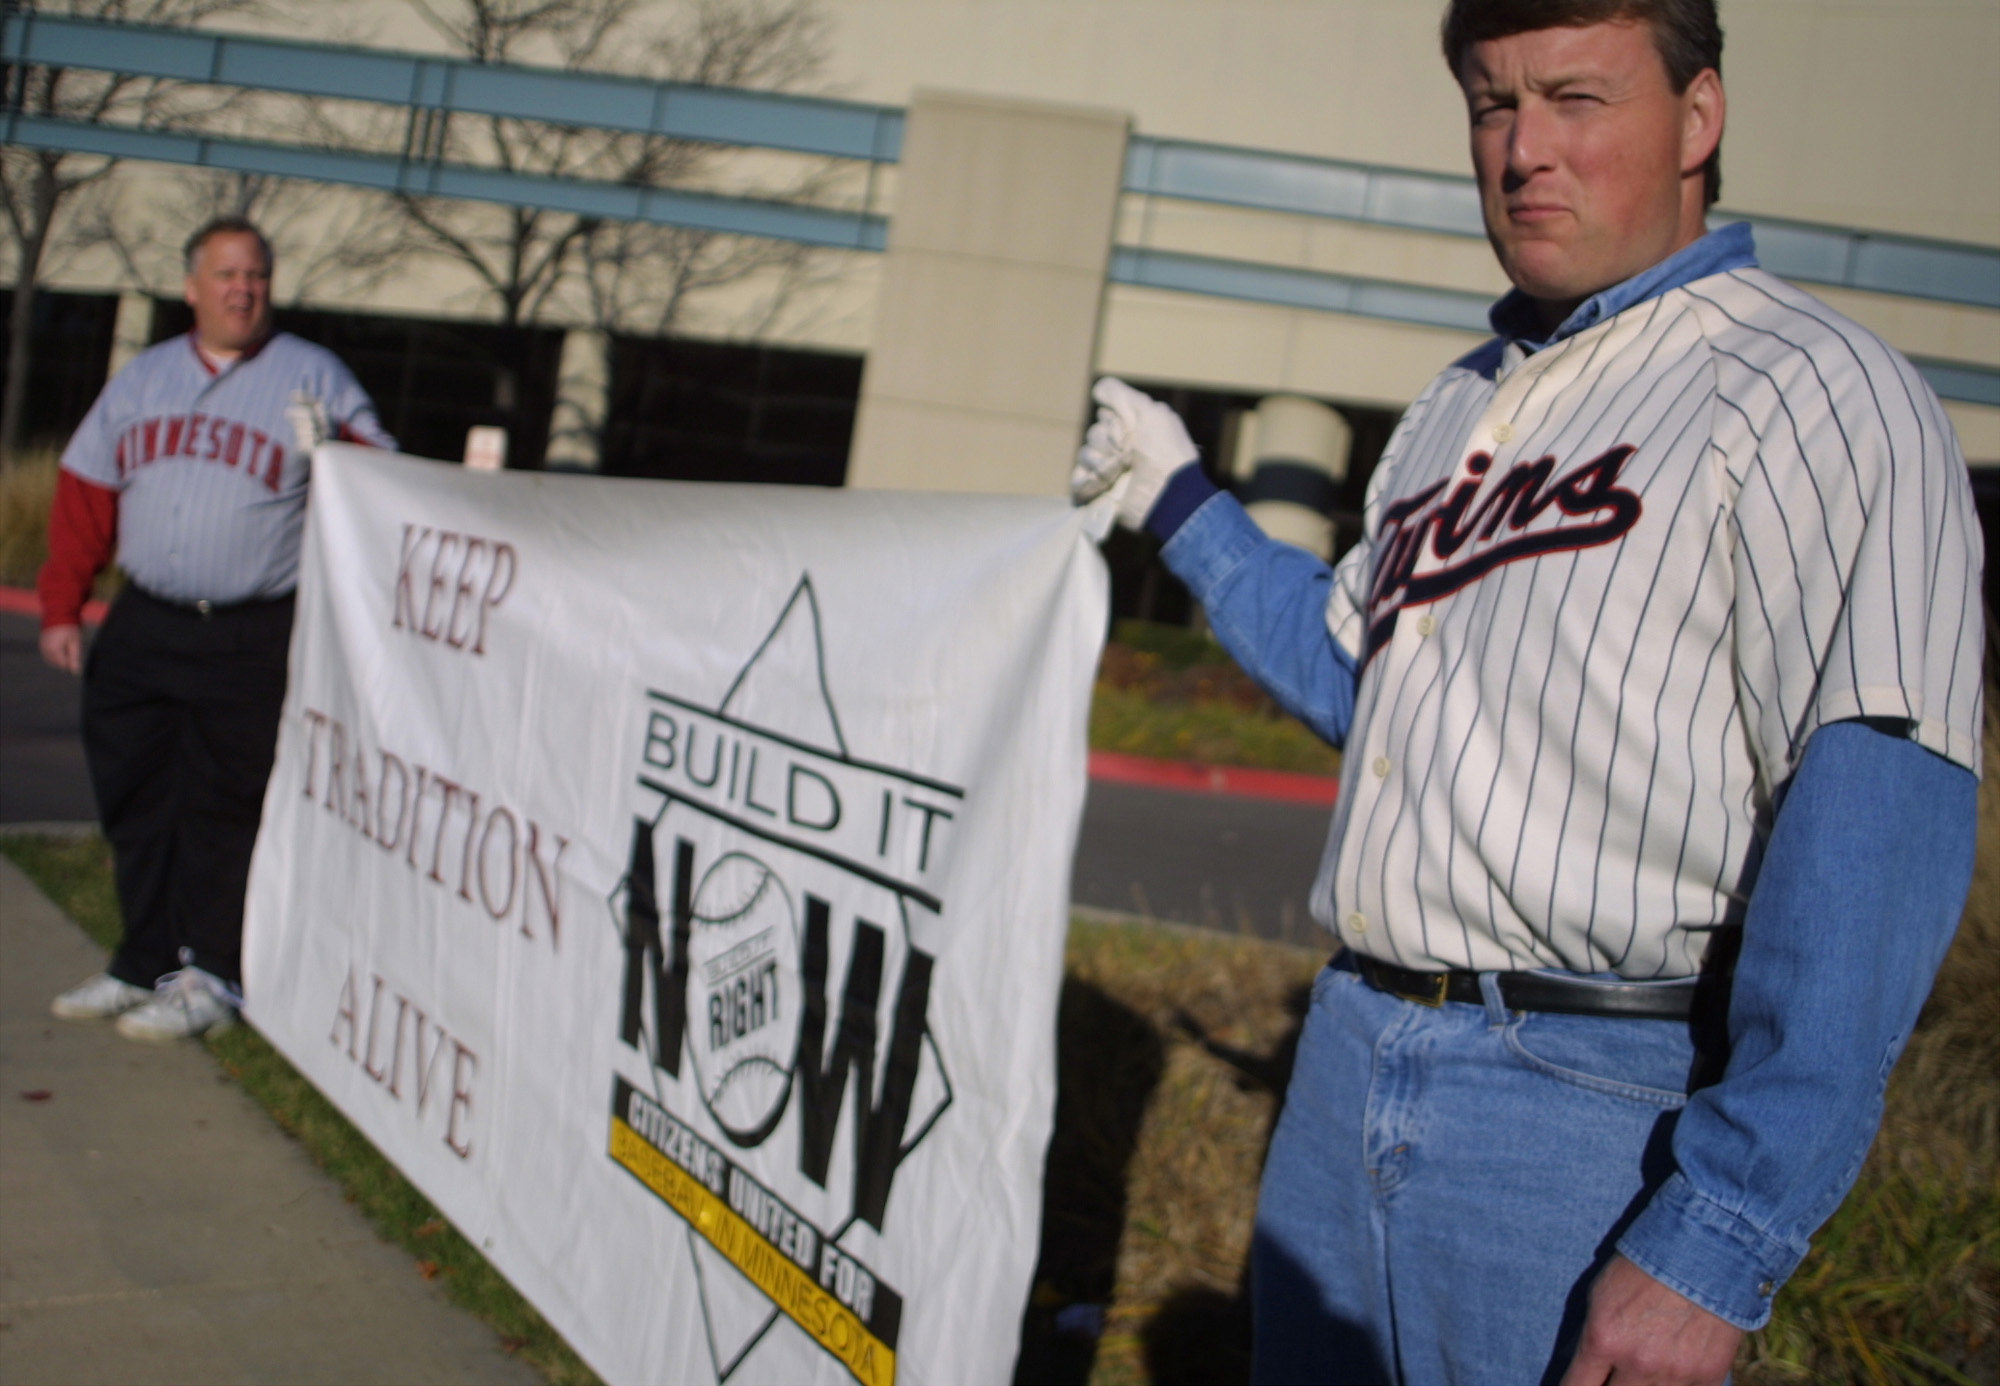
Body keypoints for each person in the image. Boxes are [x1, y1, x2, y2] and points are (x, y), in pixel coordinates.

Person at [1072, 2, 1984, 1381]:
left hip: (1587, 1103)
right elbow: (1357, 681)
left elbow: (1871, 839)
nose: (1523, 151)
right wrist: (1184, 498)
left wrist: (1717, 1234)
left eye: (1575, 98)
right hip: (1349, 1052)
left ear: (1699, 116)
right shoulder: (1456, 407)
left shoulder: (1819, 390)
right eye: (1493, 104)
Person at [38, 216, 395, 1043]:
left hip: (248, 632)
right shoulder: (145, 378)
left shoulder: (314, 376)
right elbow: (88, 488)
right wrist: (61, 604)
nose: (244, 290)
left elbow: (383, 482)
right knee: (134, 794)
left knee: (222, 804)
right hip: (146, 623)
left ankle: (212, 973)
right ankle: (144, 962)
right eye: (228, 275)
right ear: (192, 287)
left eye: (258, 276)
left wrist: (336, 445)